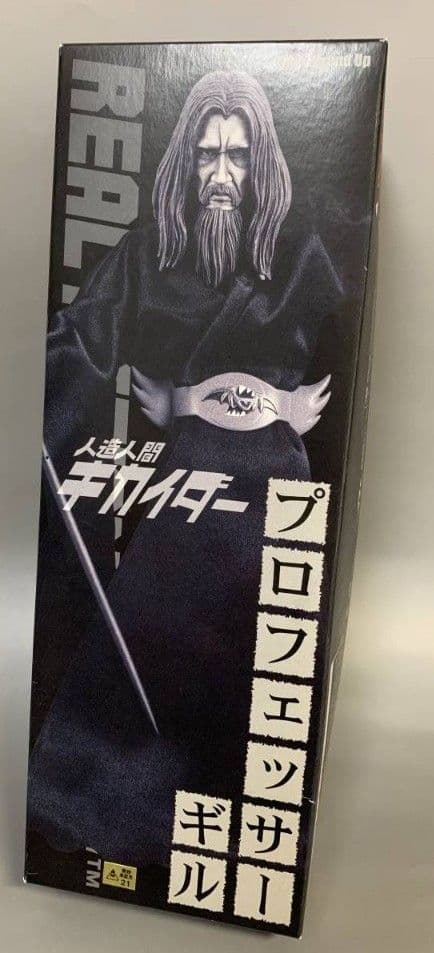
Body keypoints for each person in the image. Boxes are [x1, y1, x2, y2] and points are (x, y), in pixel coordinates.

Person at [27, 70, 344, 867]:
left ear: (260, 160)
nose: (222, 174)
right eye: (208, 154)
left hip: (276, 490)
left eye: (237, 155)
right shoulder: (150, 250)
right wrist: (36, 397)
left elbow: (346, 346)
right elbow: (83, 338)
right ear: (187, 161)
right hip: (182, 488)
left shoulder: (305, 248)